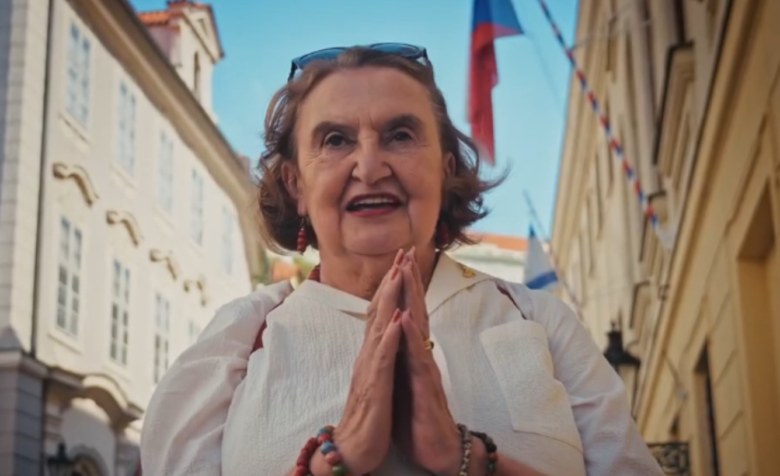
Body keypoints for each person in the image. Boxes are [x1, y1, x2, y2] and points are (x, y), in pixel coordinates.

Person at [140, 44, 664, 476]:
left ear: (445, 168)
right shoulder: (240, 338)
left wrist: (465, 457)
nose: (370, 166)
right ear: (296, 184)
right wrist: (337, 460)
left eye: (400, 135)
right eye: (335, 140)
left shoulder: (540, 319)